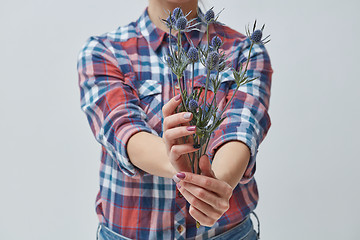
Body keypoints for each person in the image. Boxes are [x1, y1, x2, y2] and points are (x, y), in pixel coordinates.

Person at [77, 0, 272, 239]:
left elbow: (241, 130)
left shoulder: (245, 50)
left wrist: (215, 190)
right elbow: (123, 130)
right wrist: (178, 164)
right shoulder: (103, 51)